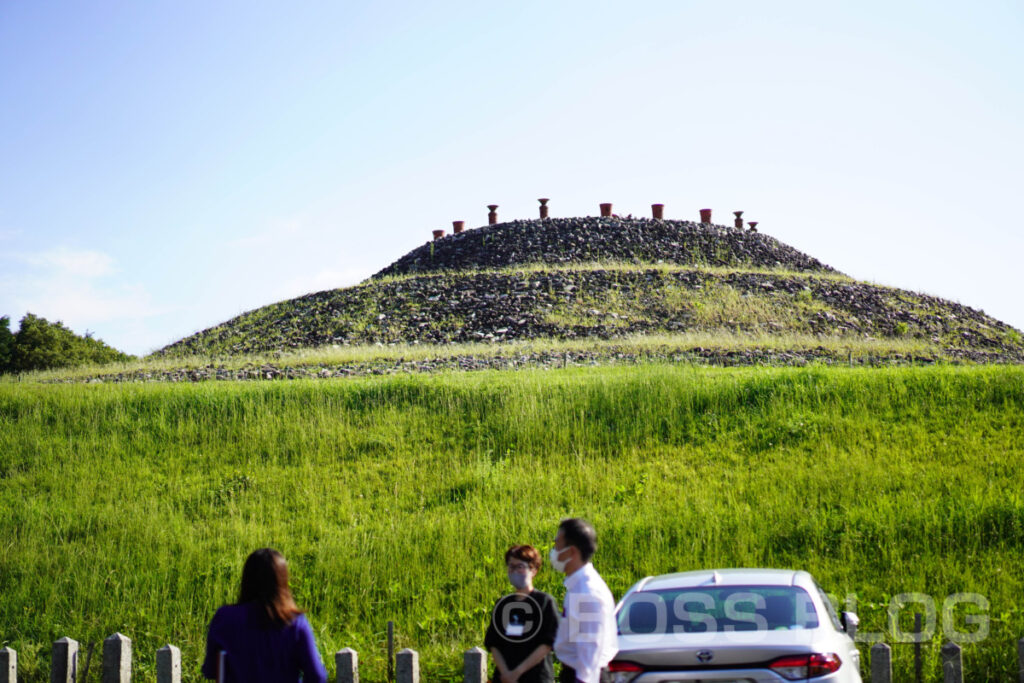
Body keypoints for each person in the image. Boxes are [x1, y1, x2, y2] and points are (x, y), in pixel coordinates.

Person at [202, 548, 328, 683]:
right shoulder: (294, 622)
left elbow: (210, 670)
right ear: (282, 581)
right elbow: (318, 676)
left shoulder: (224, 617)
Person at [550, 519, 617, 683]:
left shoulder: (588, 592)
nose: (554, 551)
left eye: (557, 544)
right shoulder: (577, 587)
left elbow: (590, 650)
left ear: (572, 551)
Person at [485, 545, 561, 683]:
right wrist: (506, 673)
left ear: (533, 570)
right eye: (511, 566)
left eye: (520, 566)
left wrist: (517, 672)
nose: (514, 571)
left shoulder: (544, 602)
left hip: (536, 677)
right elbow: (494, 643)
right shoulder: (502, 604)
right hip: (505, 678)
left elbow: (548, 643)